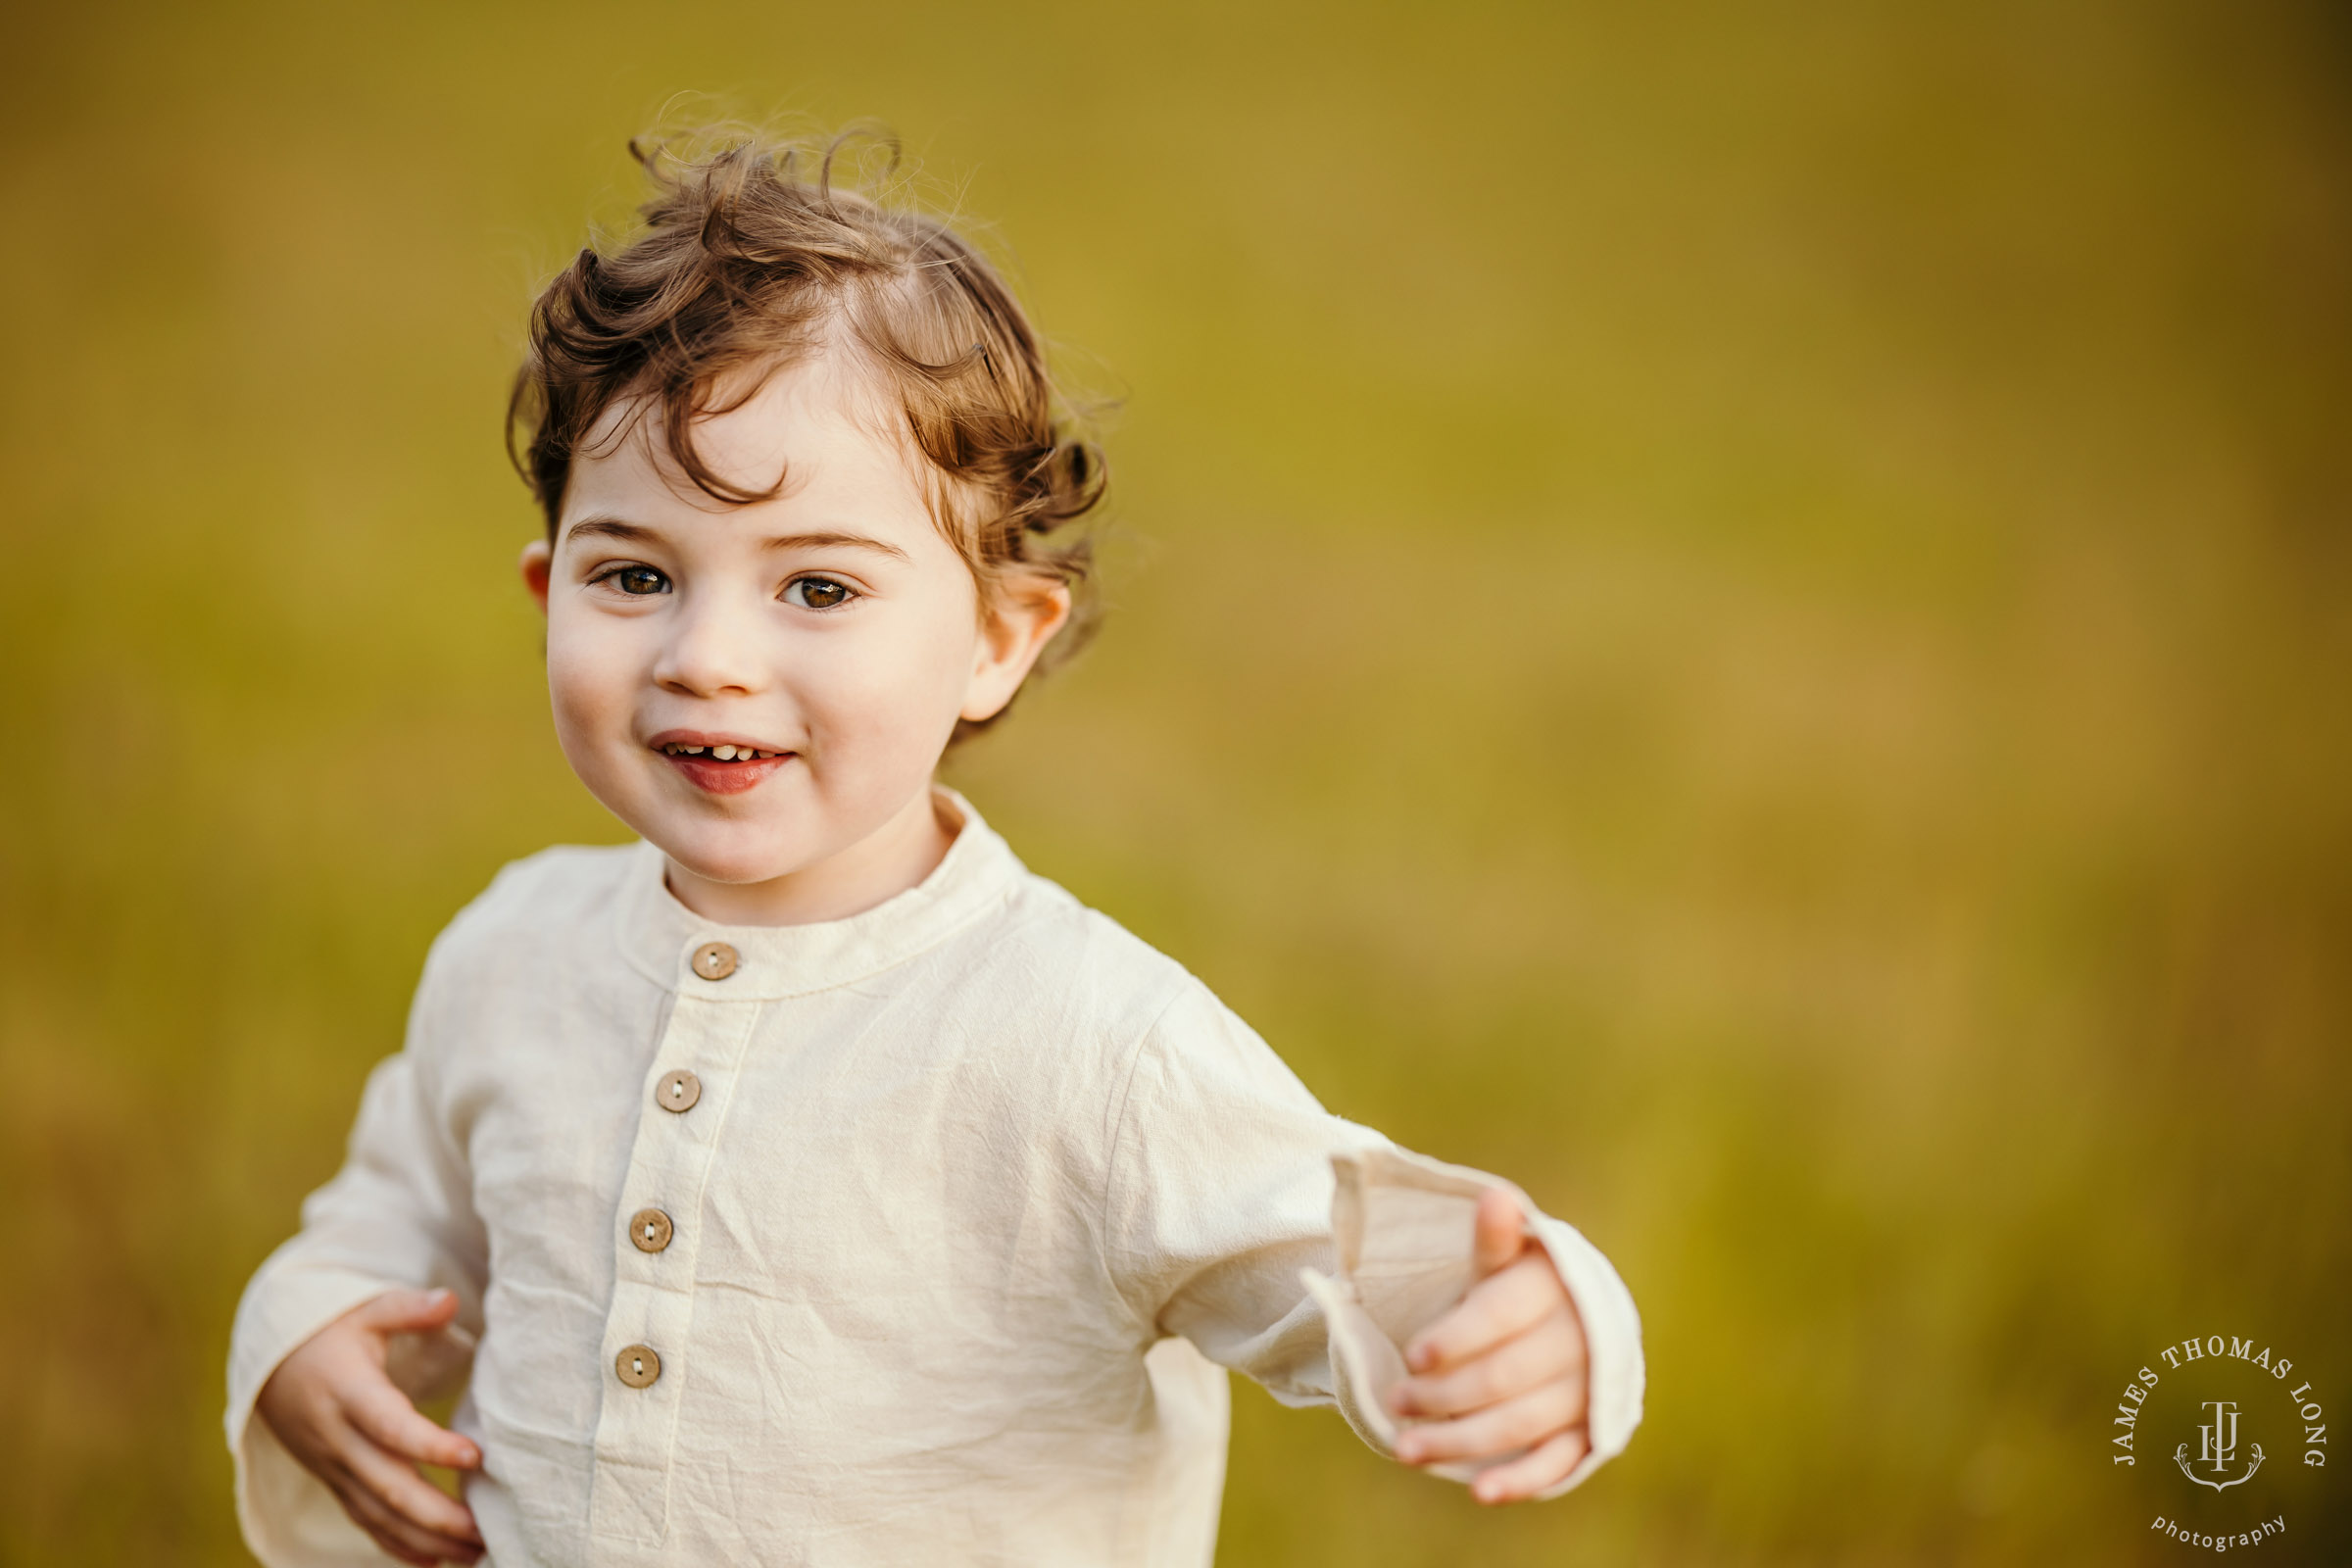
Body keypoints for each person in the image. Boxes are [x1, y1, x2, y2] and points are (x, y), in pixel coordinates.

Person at [225, 132, 1644, 1568]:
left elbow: (1326, 1249)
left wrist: (1531, 1315)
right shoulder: (514, 951)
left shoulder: (1085, 1044)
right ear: (547, 595)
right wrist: (314, 1323)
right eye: (635, 575)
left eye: (820, 585)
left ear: (993, 639)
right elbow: (410, 1208)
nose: (707, 656)